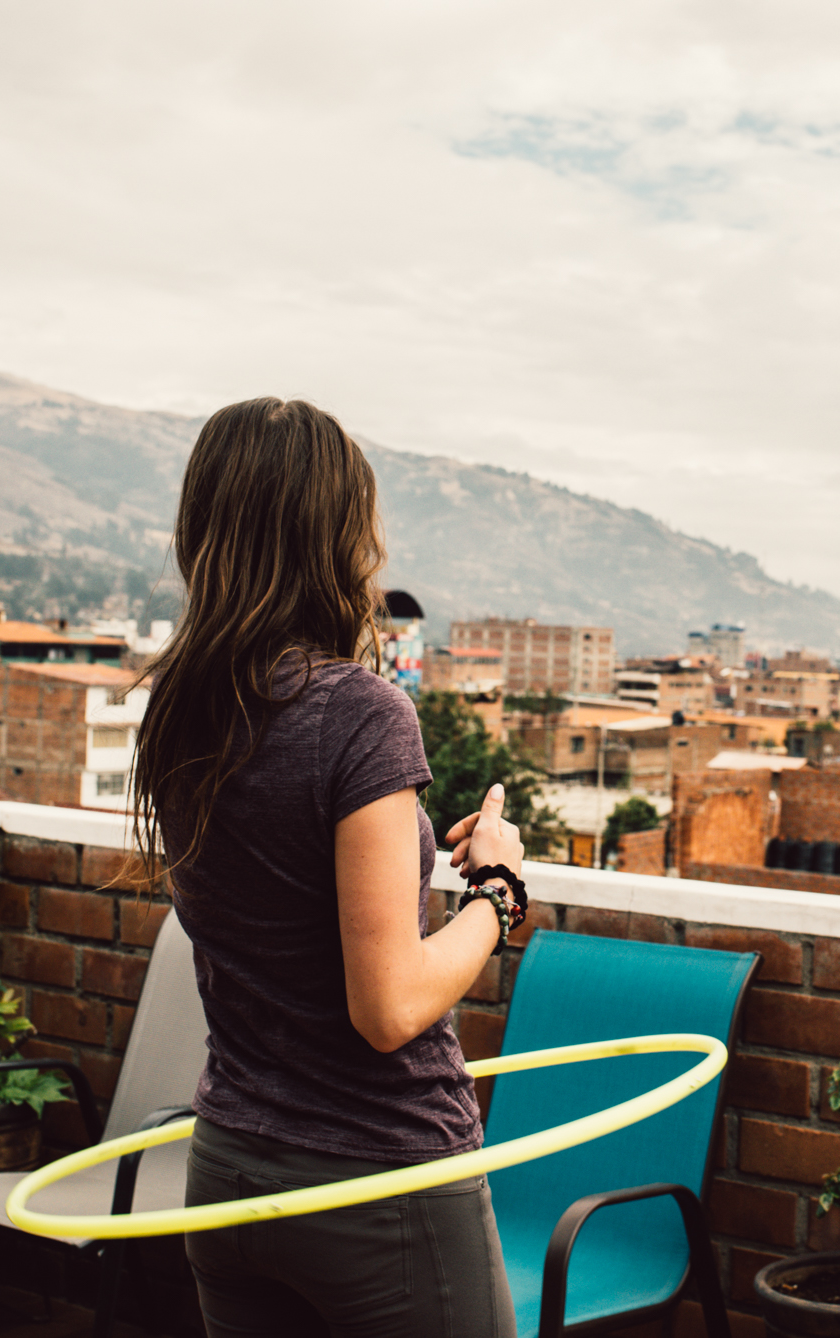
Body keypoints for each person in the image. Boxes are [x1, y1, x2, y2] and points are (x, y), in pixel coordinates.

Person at [130, 397, 525, 1337]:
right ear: (337, 539)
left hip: (230, 1169)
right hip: (378, 1183)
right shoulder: (360, 714)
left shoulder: (181, 711)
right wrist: (498, 892)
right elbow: (387, 1007)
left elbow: (284, 893)